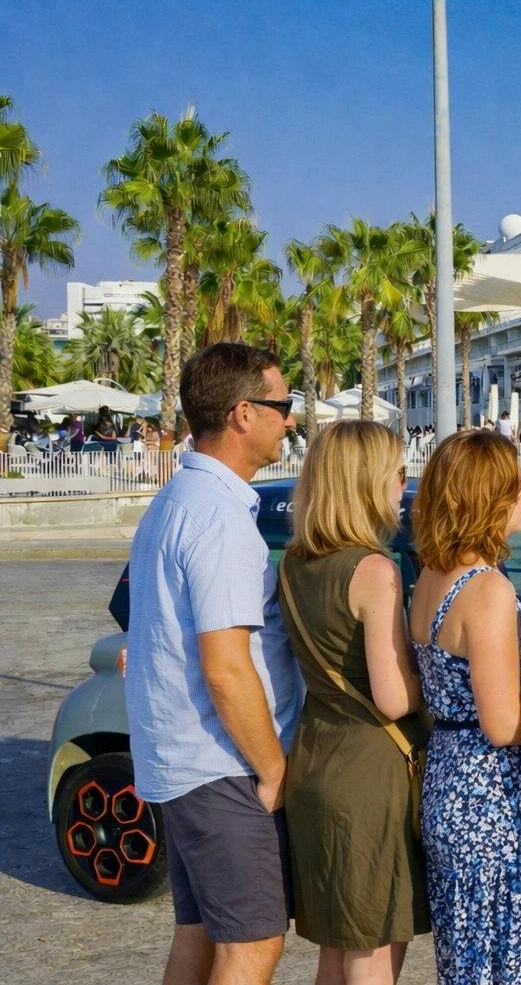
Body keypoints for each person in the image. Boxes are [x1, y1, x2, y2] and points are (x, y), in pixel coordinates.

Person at [123, 342, 303, 985]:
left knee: (199, 936)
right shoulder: (218, 515)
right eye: (283, 405)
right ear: (242, 414)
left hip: (184, 759)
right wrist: (273, 767)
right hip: (221, 764)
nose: (292, 418)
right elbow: (226, 666)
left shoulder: (177, 501)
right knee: (252, 943)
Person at [407, 431, 521, 985]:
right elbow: (503, 724)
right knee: (514, 950)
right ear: (492, 496)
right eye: (519, 482)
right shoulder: (487, 590)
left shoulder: (431, 576)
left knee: (474, 953)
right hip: (493, 799)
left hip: (450, 780)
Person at [277, 420, 430, 983]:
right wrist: (436, 678)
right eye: (397, 472)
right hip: (370, 774)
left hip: (315, 758)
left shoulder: (293, 565)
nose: (403, 483)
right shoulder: (373, 570)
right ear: (367, 483)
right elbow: (393, 698)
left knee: (336, 948)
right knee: (373, 943)